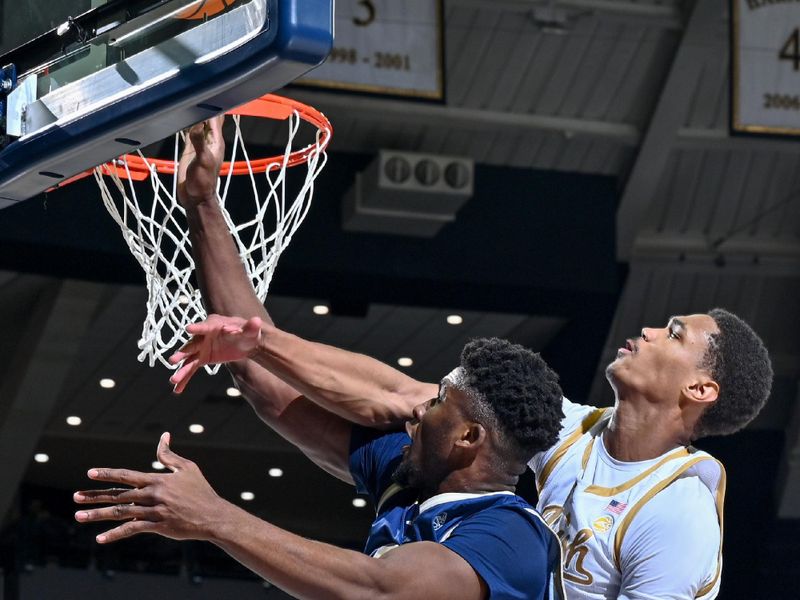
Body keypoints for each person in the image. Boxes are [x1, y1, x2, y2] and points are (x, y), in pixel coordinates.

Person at [164, 118, 774, 598]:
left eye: (672, 332)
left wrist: (217, 517)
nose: (646, 329)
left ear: (700, 389)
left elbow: (373, 588)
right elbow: (393, 393)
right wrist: (249, 318)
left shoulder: (675, 513)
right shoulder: (562, 430)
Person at [75, 337, 567, 600]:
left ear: (467, 437)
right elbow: (263, 383)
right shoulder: (408, 483)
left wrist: (214, 518)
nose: (419, 409)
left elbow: (377, 590)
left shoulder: (513, 535)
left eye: (439, 402)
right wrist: (203, 204)